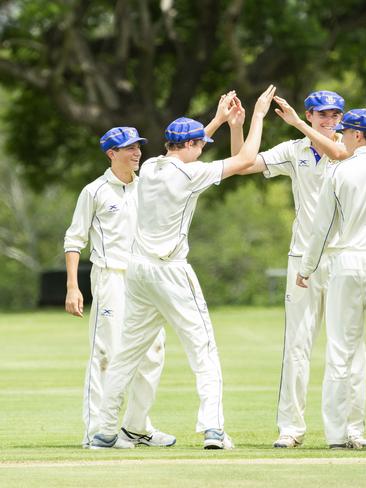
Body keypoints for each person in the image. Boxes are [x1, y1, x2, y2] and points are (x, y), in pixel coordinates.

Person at [90, 85, 276, 450]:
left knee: (127, 353)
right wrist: (256, 117)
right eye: (199, 145)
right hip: (170, 271)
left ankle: (105, 431)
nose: (202, 148)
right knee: (203, 349)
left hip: (137, 272)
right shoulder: (192, 175)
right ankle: (213, 430)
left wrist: (220, 121)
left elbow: (191, 145)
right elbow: (244, 160)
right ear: (190, 148)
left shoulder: (153, 166)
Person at [232, 91, 366, 449]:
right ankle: (291, 428)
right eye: (323, 114)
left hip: (344, 257)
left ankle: (353, 429)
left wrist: (295, 122)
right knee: (297, 345)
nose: (330, 120)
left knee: (350, 347)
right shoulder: (294, 150)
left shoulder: (353, 148)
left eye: (335, 114)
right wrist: (246, 122)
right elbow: (241, 163)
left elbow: (336, 151)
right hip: (302, 258)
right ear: (310, 115)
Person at [298, 108, 366, 449]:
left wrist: (306, 267)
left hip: (346, 262)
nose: (340, 137)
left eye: (345, 132)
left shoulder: (339, 171)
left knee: (341, 351)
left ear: (358, 135)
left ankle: (337, 435)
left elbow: (323, 226)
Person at [64, 127, 174, 449]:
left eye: (138, 147)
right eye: (129, 148)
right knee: (107, 354)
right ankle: (96, 431)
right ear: (112, 153)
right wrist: (73, 286)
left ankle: (138, 427)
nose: (137, 153)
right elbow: (74, 240)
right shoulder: (95, 191)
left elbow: (181, 159)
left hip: (145, 279)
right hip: (110, 277)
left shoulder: (147, 188)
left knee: (153, 353)